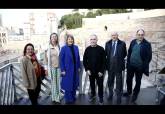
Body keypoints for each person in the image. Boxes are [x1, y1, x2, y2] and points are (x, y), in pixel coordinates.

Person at [123, 29, 152, 103]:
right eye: (139, 34)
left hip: (140, 67)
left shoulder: (147, 44)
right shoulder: (133, 42)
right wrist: (128, 63)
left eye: (142, 35)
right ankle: (129, 92)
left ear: (143, 35)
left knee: (138, 81)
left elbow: (149, 57)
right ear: (136, 35)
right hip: (131, 66)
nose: (140, 36)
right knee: (128, 80)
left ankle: (135, 94)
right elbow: (129, 52)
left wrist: (143, 66)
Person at [83, 34, 106, 105]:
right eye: (91, 39)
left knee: (100, 85)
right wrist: (87, 69)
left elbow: (104, 61)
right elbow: (84, 60)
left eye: (94, 39)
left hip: (99, 72)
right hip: (91, 72)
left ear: (97, 40)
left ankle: (101, 97)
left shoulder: (101, 49)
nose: (93, 41)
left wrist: (102, 71)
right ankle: (93, 94)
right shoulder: (87, 49)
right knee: (92, 84)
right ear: (90, 40)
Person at [105, 32, 127, 104]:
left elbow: (124, 54)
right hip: (110, 66)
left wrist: (117, 59)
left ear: (117, 36)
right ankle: (110, 94)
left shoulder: (122, 43)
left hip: (118, 66)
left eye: (115, 35)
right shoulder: (107, 43)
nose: (114, 36)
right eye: (112, 35)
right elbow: (106, 54)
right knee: (110, 81)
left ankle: (118, 97)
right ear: (111, 36)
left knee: (119, 82)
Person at [59, 34, 81, 104]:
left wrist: (78, 67)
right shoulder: (63, 48)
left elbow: (78, 58)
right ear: (66, 40)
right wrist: (62, 70)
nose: (70, 40)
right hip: (67, 70)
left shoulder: (76, 47)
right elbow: (61, 60)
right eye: (69, 39)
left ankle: (73, 96)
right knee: (68, 85)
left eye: (71, 39)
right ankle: (68, 99)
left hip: (75, 69)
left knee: (74, 83)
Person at [44, 33, 61, 104]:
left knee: (58, 83)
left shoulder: (59, 46)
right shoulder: (48, 47)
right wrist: (46, 69)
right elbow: (45, 59)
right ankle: (54, 97)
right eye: (52, 37)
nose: (54, 38)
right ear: (50, 39)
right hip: (52, 67)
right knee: (54, 83)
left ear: (57, 38)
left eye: (55, 37)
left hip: (59, 67)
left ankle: (57, 97)